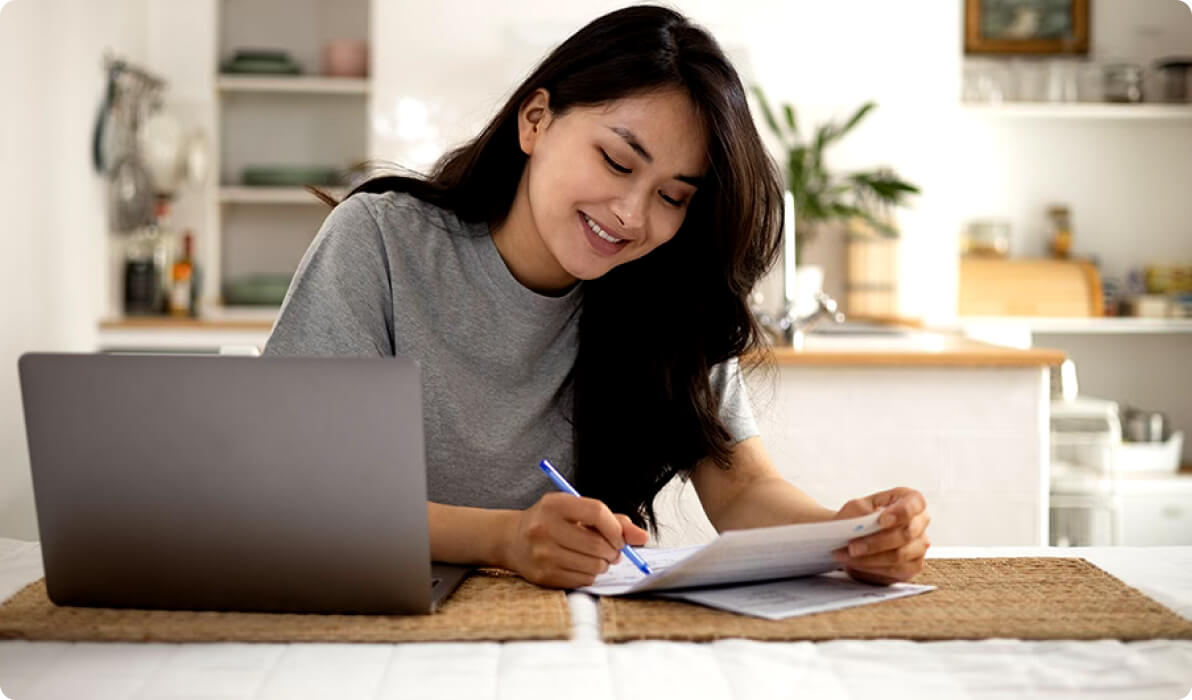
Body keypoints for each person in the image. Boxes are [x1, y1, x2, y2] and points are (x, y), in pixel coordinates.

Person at [263, 5, 930, 589]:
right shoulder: (381, 242)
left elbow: (743, 486)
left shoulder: (668, 292)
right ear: (535, 121)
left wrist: (843, 535)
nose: (632, 216)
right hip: (384, 614)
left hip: (578, 639)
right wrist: (505, 539)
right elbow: (299, 487)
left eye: (673, 196)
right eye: (616, 161)